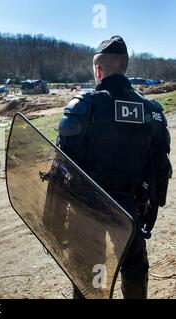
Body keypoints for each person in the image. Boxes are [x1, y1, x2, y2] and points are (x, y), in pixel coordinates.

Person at [57, 36, 172, 299]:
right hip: (129, 210)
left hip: (88, 210)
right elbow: (161, 168)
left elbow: (62, 169)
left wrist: (54, 219)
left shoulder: (83, 107)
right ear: (125, 67)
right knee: (134, 266)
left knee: (88, 269)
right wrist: (152, 210)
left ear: (98, 70)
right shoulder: (151, 111)